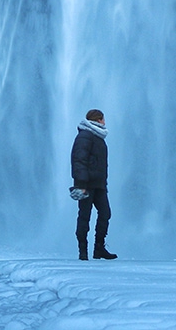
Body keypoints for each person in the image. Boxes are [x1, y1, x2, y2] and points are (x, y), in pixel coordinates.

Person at [71, 109, 116, 260]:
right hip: (87, 184)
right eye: (103, 119)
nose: (105, 122)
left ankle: (99, 248)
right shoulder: (85, 136)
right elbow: (79, 160)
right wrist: (81, 183)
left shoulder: (97, 136)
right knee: (85, 216)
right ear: (98, 120)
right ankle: (82, 252)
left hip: (99, 184)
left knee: (105, 213)